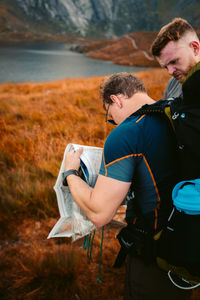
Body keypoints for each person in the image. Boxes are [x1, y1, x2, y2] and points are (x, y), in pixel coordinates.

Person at [64, 73, 190, 299]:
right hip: (187, 243)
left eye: (109, 114)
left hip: (154, 257)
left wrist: (70, 173)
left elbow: (100, 214)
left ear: (117, 100)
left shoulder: (128, 132)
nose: (113, 121)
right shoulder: (176, 115)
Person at [151, 17, 200, 99]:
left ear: (195, 48)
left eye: (174, 62)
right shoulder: (172, 85)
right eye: (166, 67)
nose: (170, 72)